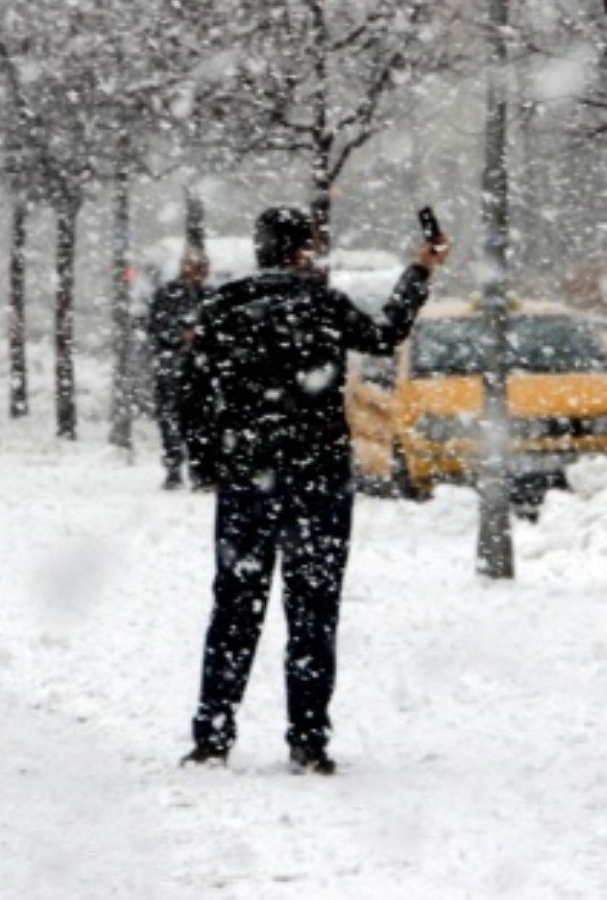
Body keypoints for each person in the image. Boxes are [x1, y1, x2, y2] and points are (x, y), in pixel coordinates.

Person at [180, 206, 447, 775]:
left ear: (260, 249)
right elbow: (386, 334)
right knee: (314, 610)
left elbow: (192, 389)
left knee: (234, 609)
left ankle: (213, 734)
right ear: (302, 250)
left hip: (248, 478)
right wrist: (419, 271)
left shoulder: (224, 306)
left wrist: (207, 461)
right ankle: (307, 740)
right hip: (317, 478)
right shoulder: (323, 304)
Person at [146, 252, 211, 490]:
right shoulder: (168, 294)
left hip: (196, 367)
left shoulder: (207, 296)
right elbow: (155, 326)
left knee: (198, 420)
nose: (197, 273)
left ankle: (197, 470)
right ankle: (174, 468)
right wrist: (179, 335)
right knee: (171, 418)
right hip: (173, 364)